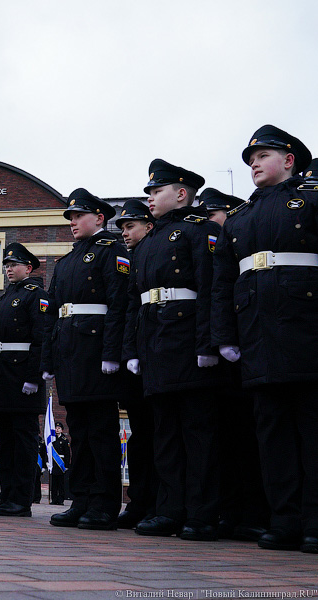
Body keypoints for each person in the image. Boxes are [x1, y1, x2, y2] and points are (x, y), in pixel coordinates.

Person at [212, 125, 318, 553]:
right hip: (256, 334)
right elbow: (222, 284)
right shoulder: (240, 219)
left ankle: (314, 522)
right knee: (271, 433)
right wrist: (224, 336)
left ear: (289, 160)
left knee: (311, 430)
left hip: (307, 330)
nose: (254, 163)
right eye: (250, 159)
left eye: (263, 156)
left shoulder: (310, 199)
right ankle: (284, 520)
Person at [125, 159, 226, 541]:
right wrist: (135, 349)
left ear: (181, 194)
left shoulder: (201, 231)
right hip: (156, 344)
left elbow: (211, 290)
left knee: (198, 433)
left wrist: (208, 343)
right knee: (165, 433)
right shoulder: (148, 242)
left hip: (188, 342)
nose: (149, 198)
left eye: (156, 191)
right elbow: (137, 300)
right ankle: (169, 510)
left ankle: (201, 514)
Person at [42, 188, 131, 531]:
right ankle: (80, 500)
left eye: (79, 216)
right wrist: (49, 358)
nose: (73, 222)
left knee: (101, 432)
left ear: (100, 218)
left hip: (96, 353)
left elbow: (118, 304)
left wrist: (112, 353)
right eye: (71, 217)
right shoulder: (66, 262)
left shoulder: (112, 251)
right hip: (70, 353)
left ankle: (104, 504)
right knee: (78, 431)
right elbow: (52, 314)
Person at [200, 188, 269, 542]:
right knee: (225, 439)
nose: (209, 225)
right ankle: (232, 511)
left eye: (213, 217)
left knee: (249, 438)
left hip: (249, 352)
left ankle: (254, 512)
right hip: (225, 355)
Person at [0, 242, 47, 517]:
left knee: (23, 442)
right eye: (6, 265)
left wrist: (34, 377)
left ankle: (21, 499)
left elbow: (40, 338)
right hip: (2, 377)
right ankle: (5, 495)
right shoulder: (5, 298)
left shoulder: (36, 295)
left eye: (13, 264)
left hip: (22, 378)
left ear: (28, 268)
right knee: (4, 442)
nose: (8, 269)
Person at [114, 199, 158, 529]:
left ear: (148, 225)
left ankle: (157, 502)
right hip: (132, 355)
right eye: (123, 227)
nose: (126, 233)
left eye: (131, 226)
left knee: (159, 433)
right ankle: (139, 501)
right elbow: (125, 310)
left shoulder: (153, 253)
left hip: (156, 352)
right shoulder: (127, 259)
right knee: (140, 435)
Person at [50, 422, 71, 505]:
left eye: (59, 428)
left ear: (62, 430)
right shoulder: (52, 439)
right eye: (56, 428)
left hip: (61, 464)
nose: (57, 429)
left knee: (61, 483)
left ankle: (61, 499)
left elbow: (67, 454)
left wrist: (66, 465)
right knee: (54, 483)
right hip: (54, 463)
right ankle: (54, 499)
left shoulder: (65, 440)